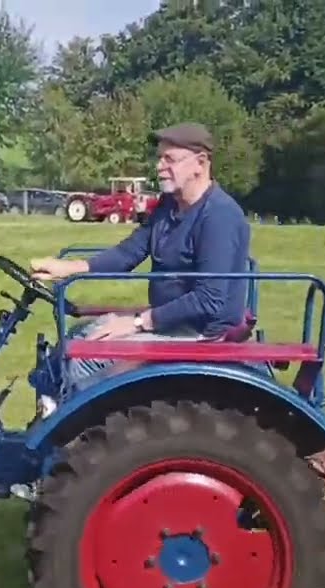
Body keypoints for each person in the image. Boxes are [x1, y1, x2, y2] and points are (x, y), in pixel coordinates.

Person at [28, 122, 252, 406]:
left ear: (201, 163)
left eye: (169, 159)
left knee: (87, 355)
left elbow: (209, 299)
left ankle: (73, 437)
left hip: (201, 332)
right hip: (171, 322)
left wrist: (138, 322)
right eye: (159, 158)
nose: (159, 167)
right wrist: (68, 268)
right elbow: (129, 252)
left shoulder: (219, 216)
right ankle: (50, 411)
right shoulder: (169, 206)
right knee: (77, 334)